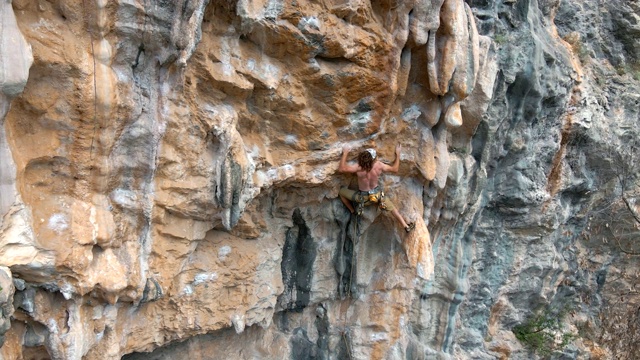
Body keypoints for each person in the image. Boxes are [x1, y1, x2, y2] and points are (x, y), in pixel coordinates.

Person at [337, 144, 415, 233]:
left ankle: (352, 211)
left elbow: (341, 169)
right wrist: (398, 154)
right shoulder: (379, 165)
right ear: (373, 160)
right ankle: (405, 225)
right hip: (377, 196)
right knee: (392, 209)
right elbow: (395, 169)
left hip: (362, 199)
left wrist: (345, 153)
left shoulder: (358, 167)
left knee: (341, 192)